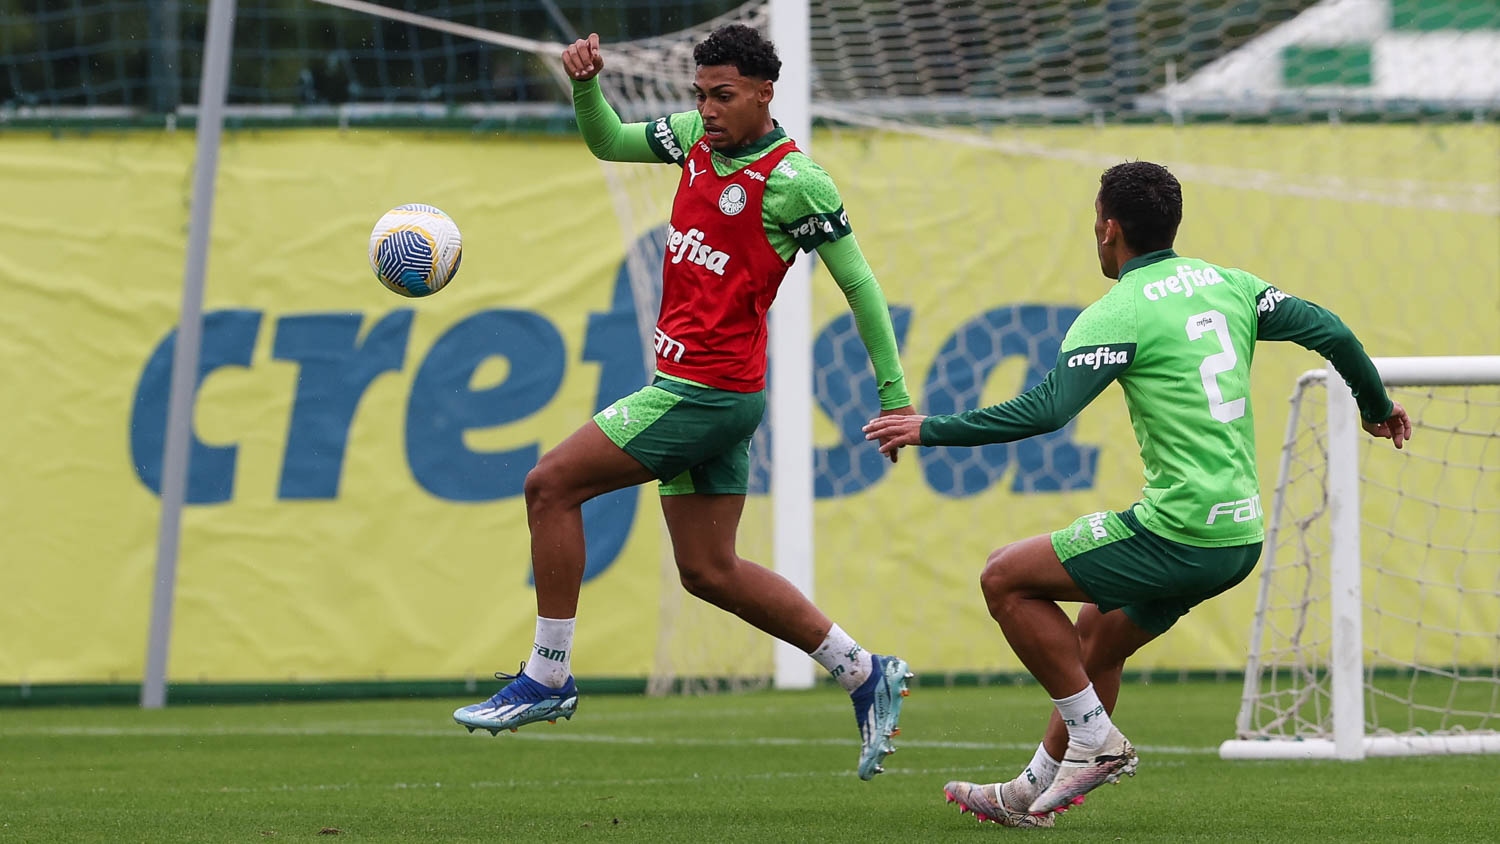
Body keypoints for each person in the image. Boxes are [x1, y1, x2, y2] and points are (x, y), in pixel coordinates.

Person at [864, 161, 1411, 822]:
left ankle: (1095, 743)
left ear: (1109, 228)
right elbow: (1331, 330)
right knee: (1096, 637)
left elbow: (1046, 412)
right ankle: (1028, 793)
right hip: (1237, 539)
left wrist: (932, 429)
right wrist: (1375, 406)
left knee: (1004, 578)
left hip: (1180, 531)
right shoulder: (1229, 285)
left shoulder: (1118, 311)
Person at [453, 24, 916, 781]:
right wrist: (584, 85)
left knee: (549, 484)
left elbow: (859, 285)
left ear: (766, 92)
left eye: (723, 95)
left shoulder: (795, 180)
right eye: (700, 94)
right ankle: (863, 669)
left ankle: (547, 672)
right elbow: (607, 141)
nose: (709, 109)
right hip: (707, 392)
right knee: (709, 571)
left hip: (707, 392)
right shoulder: (693, 138)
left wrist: (894, 394)